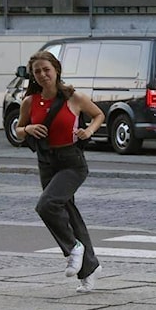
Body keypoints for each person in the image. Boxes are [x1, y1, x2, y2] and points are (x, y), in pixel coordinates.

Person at [15, 50, 106, 292]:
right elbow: (18, 130)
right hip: (46, 161)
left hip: (71, 162)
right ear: (33, 76)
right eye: (37, 72)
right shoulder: (29, 101)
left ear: (56, 70)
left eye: (46, 69)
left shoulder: (74, 97)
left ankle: (74, 248)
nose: (43, 75)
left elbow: (98, 115)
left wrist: (88, 132)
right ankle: (89, 269)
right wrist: (29, 128)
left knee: (46, 205)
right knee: (68, 212)